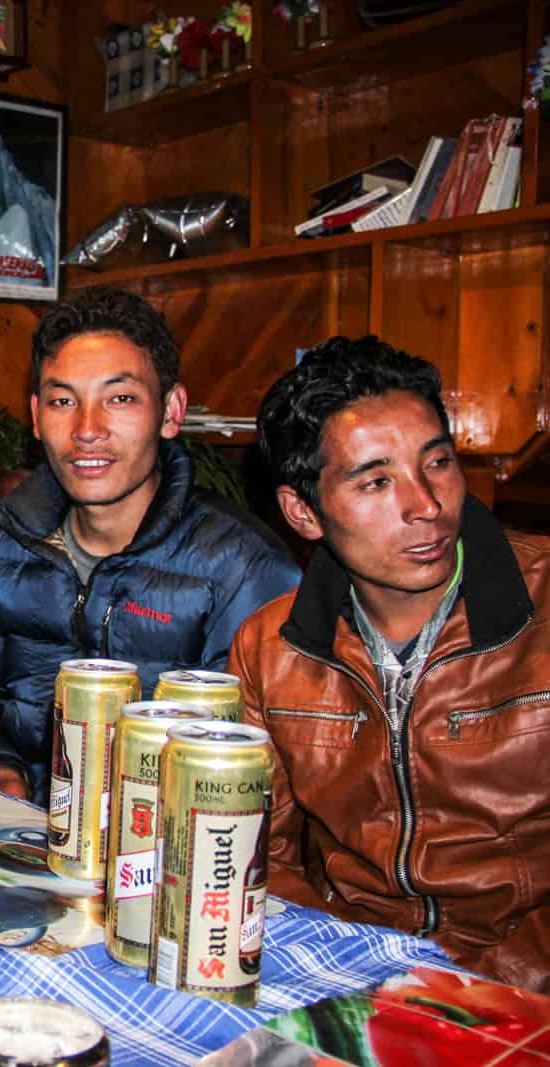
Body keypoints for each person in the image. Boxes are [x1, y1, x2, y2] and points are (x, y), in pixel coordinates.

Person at [230, 336, 550, 991]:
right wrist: (355, 967)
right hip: (351, 970)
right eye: (376, 480)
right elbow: (267, 857)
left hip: (523, 986)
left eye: (437, 462)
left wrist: (482, 983)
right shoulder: (270, 649)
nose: (426, 504)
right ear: (302, 510)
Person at [0, 287, 299, 803]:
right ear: (36, 417)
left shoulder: (242, 568)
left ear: (171, 411)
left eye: (119, 399)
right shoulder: (6, 546)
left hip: (173, 847)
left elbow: (256, 765)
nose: (86, 430)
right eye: (63, 401)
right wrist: (2, 778)